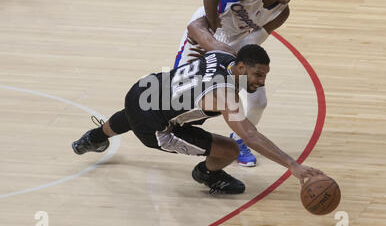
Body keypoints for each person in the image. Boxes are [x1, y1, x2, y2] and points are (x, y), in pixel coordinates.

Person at [72, 45, 324, 195]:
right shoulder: (225, 95)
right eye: (257, 75)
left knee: (138, 110)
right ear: (239, 68)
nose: (261, 82)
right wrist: (293, 165)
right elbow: (250, 135)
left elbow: (201, 47)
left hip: (142, 89)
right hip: (157, 128)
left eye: (264, 75)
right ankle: (207, 174)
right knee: (231, 149)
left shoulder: (222, 56)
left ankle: (94, 137)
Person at [173, 0, 305, 167]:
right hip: (207, 29)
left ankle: (240, 142)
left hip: (236, 44)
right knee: (177, 92)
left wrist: (233, 59)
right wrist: (211, 28)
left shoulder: (282, 12)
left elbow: (252, 42)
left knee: (259, 101)